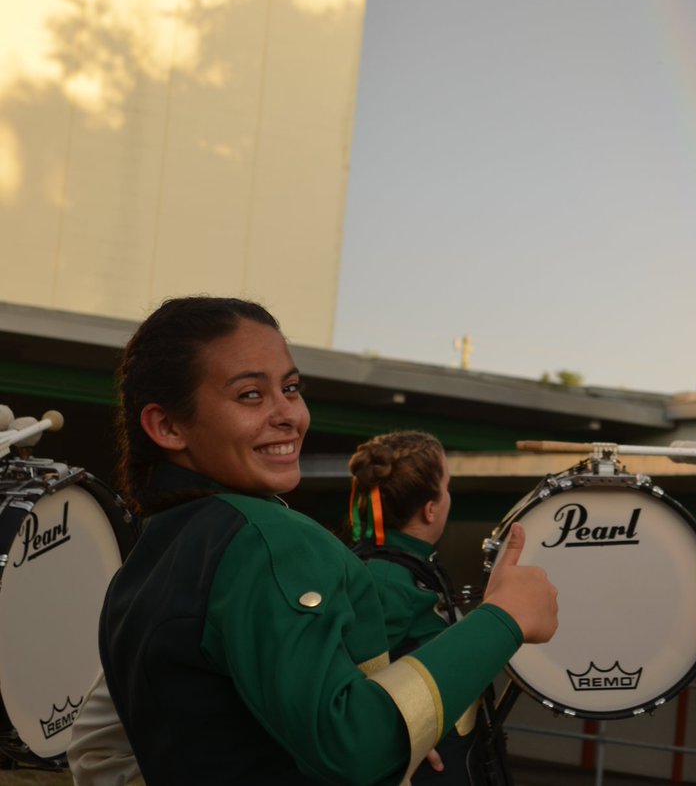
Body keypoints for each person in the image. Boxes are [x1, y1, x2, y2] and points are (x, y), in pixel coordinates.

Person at [89, 296, 557, 785]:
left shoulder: (151, 552)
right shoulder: (266, 538)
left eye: (290, 388)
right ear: (167, 426)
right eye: (250, 395)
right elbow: (351, 745)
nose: (288, 414)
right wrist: (504, 618)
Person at [346, 430, 508, 785]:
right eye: (446, 487)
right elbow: (344, 680)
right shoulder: (385, 578)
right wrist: (391, 736)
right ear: (430, 509)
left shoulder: (404, 567)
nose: (450, 497)